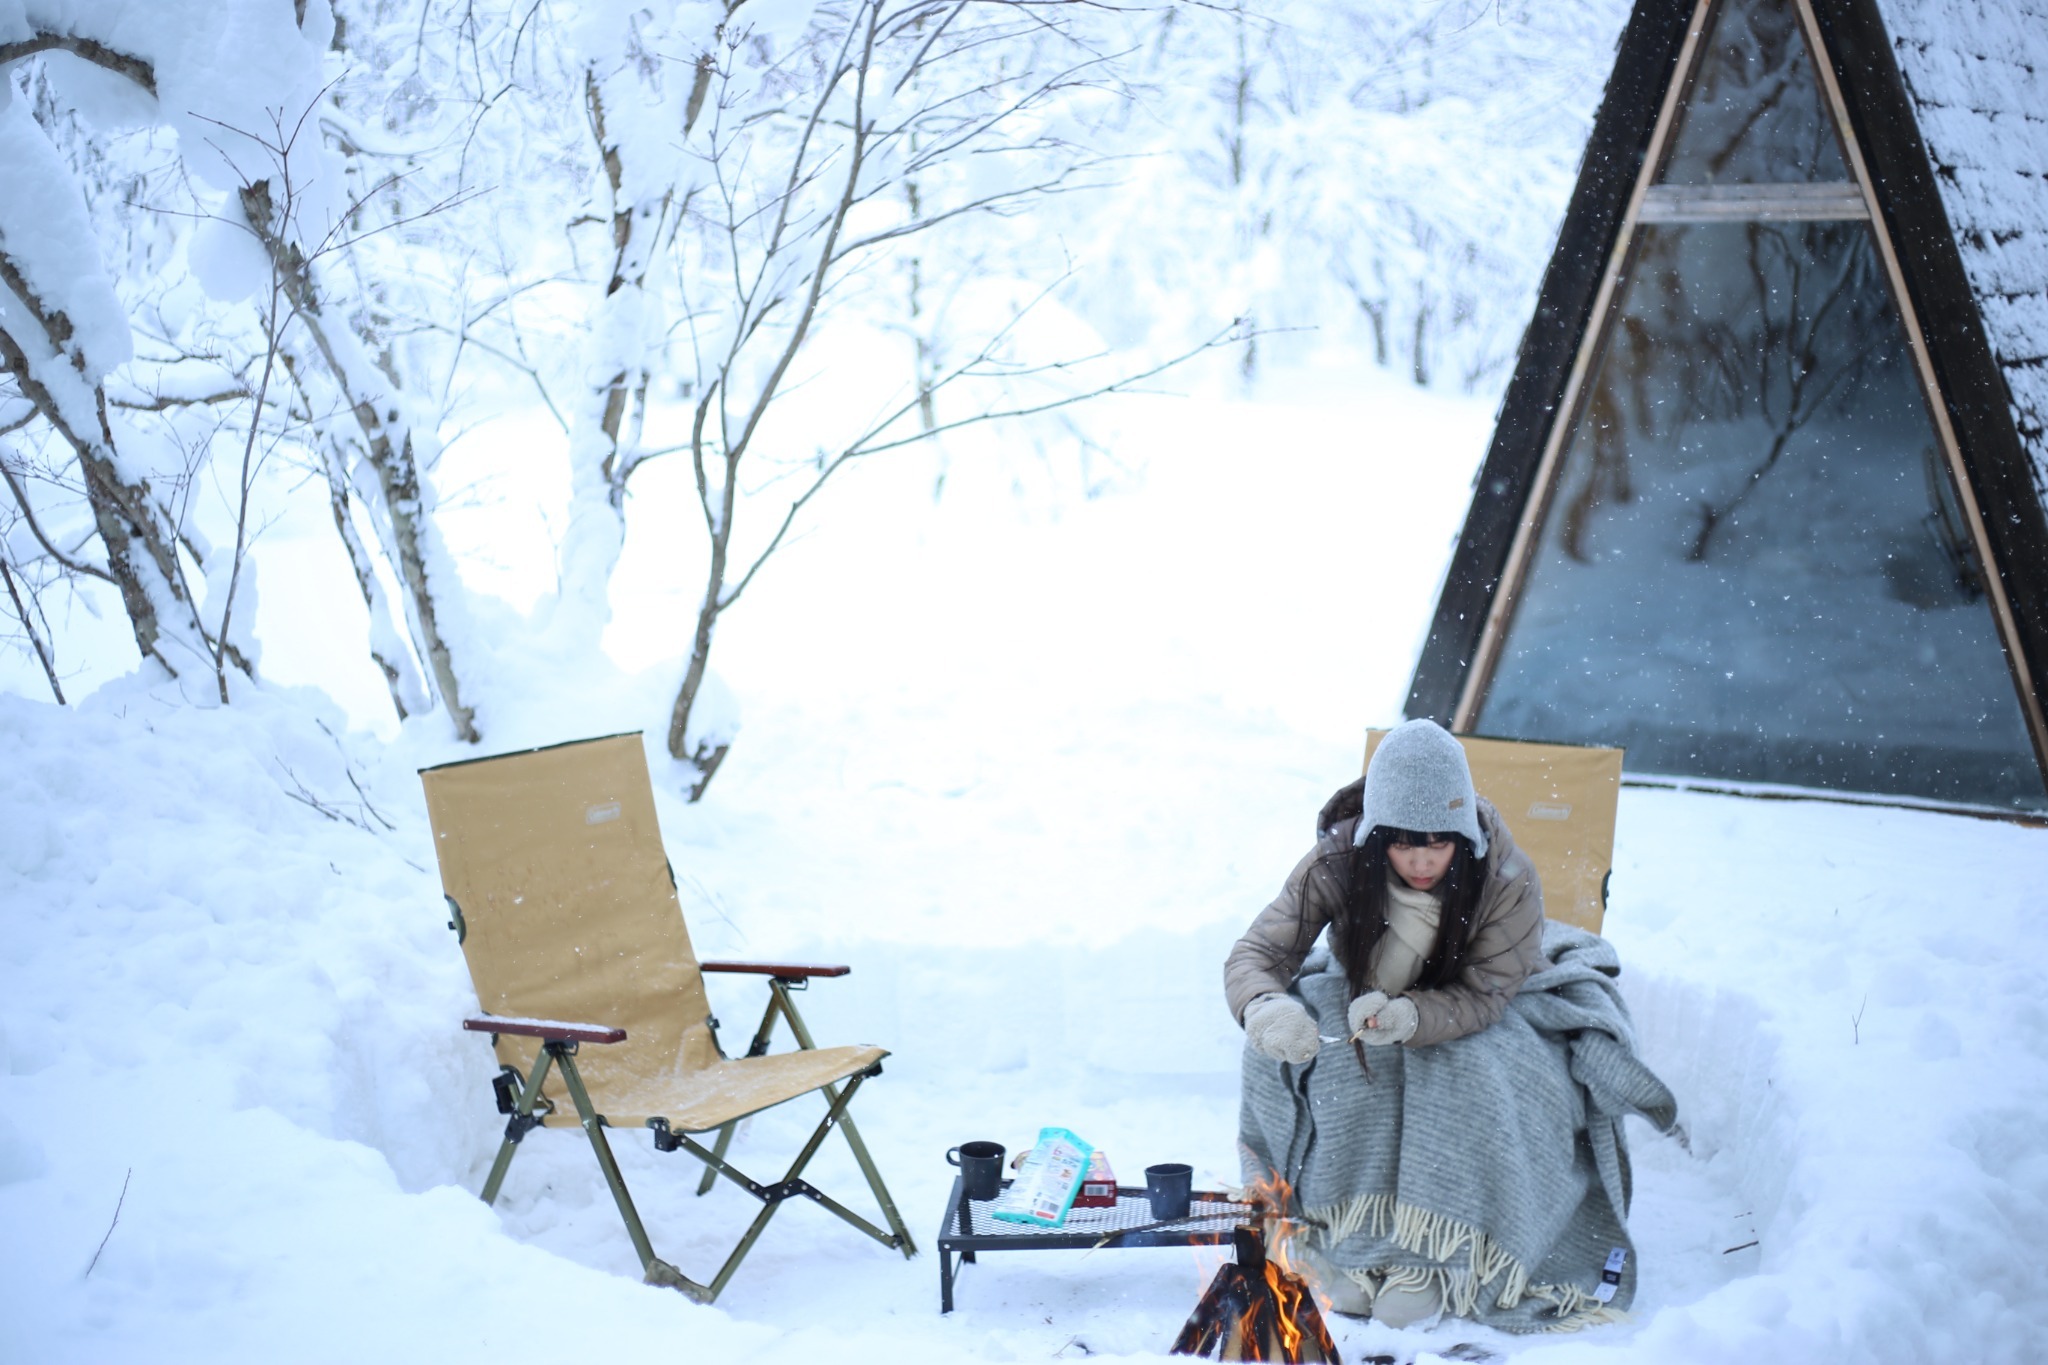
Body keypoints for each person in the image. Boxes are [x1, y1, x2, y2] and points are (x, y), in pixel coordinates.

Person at [1224, 717, 1547, 1328]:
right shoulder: (1339, 860)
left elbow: (1485, 993)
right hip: (1360, 986)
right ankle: (1341, 1234)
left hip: (1466, 1001)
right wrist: (1265, 1008)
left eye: (1438, 842)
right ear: (1376, 837)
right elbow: (1257, 955)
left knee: (1464, 1074)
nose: (1421, 860)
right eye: (1401, 843)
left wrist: (1413, 1015)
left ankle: (1428, 1256)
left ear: (1464, 836)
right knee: (1335, 1065)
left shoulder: (1507, 879)